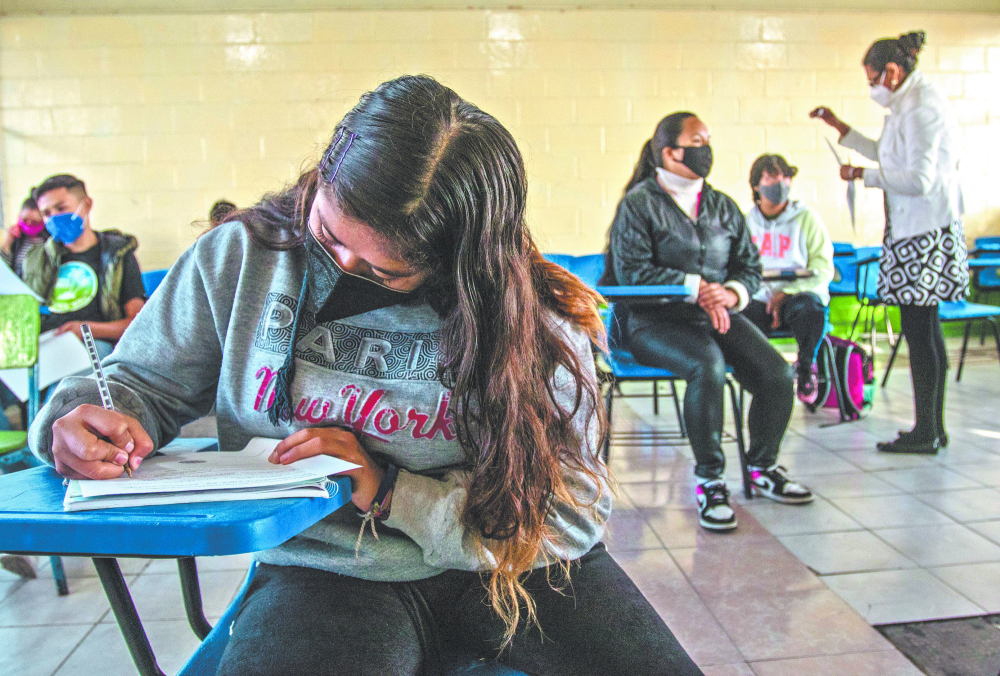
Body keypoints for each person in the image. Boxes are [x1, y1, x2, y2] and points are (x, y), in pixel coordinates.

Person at [28, 76, 704, 676]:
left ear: (460, 263)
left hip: (510, 563)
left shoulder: (536, 320)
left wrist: (391, 492)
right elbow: (139, 382)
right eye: (329, 235)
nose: (344, 268)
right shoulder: (241, 258)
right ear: (323, 175)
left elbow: (571, 513)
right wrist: (88, 417)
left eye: (385, 271)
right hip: (327, 573)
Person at [602, 112, 813, 532]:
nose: (707, 149)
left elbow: (749, 266)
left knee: (775, 372)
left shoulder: (721, 205)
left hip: (714, 315)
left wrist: (732, 291)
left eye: (708, 140)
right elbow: (631, 273)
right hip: (651, 323)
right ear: (671, 151)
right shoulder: (639, 204)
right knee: (708, 365)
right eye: (698, 141)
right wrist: (696, 286)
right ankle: (710, 479)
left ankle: (762, 467)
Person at [811, 31, 967, 454]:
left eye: (873, 80)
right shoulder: (907, 104)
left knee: (920, 332)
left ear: (893, 72)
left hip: (925, 233)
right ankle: (932, 427)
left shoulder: (921, 107)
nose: (873, 88)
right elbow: (890, 154)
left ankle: (926, 431)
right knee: (923, 330)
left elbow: (919, 179)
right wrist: (841, 129)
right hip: (912, 229)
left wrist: (862, 177)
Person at [742, 154, 834, 405]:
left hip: (799, 291)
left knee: (810, 310)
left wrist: (788, 293)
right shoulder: (746, 223)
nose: (780, 182)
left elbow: (823, 268)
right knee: (741, 318)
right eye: (772, 177)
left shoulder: (807, 219)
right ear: (756, 185)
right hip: (759, 293)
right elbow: (737, 267)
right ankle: (760, 377)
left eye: (785, 176)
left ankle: (806, 368)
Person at [24, 174, 146, 359]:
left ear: (87, 205)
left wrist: (87, 330)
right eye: (47, 213)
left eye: (61, 208)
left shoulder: (118, 255)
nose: (54, 217)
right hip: (44, 349)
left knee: (86, 366)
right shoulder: (34, 259)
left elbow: (138, 323)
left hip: (96, 345)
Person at [1, 196, 49, 278]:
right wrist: (7, 242)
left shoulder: (50, 241)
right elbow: (3, 270)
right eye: (24, 220)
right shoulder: (16, 240)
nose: (29, 224)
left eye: (35, 222)